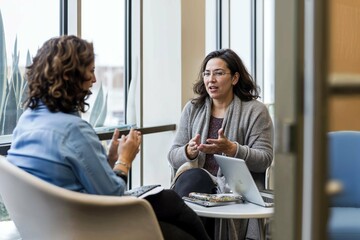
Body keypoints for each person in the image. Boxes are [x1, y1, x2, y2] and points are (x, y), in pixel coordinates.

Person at [6, 35, 210, 240]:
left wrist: (110, 160)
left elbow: (69, 175)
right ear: (72, 76)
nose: (94, 80)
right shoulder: (74, 130)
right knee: (174, 217)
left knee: (168, 202)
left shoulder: (26, 121)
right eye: (91, 71)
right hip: (85, 227)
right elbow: (113, 199)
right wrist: (124, 160)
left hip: (48, 225)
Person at [168, 48, 274, 239]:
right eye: (207, 74)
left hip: (236, 187)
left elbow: (264, 159)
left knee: (194, 183)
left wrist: (232, 149)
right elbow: (173, 156)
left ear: (234, 78)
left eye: (218, 73)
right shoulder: (193, 109)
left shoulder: (256, 111)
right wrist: (189, 151)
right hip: (196, 183)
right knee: (196, 177)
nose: (211, 80)